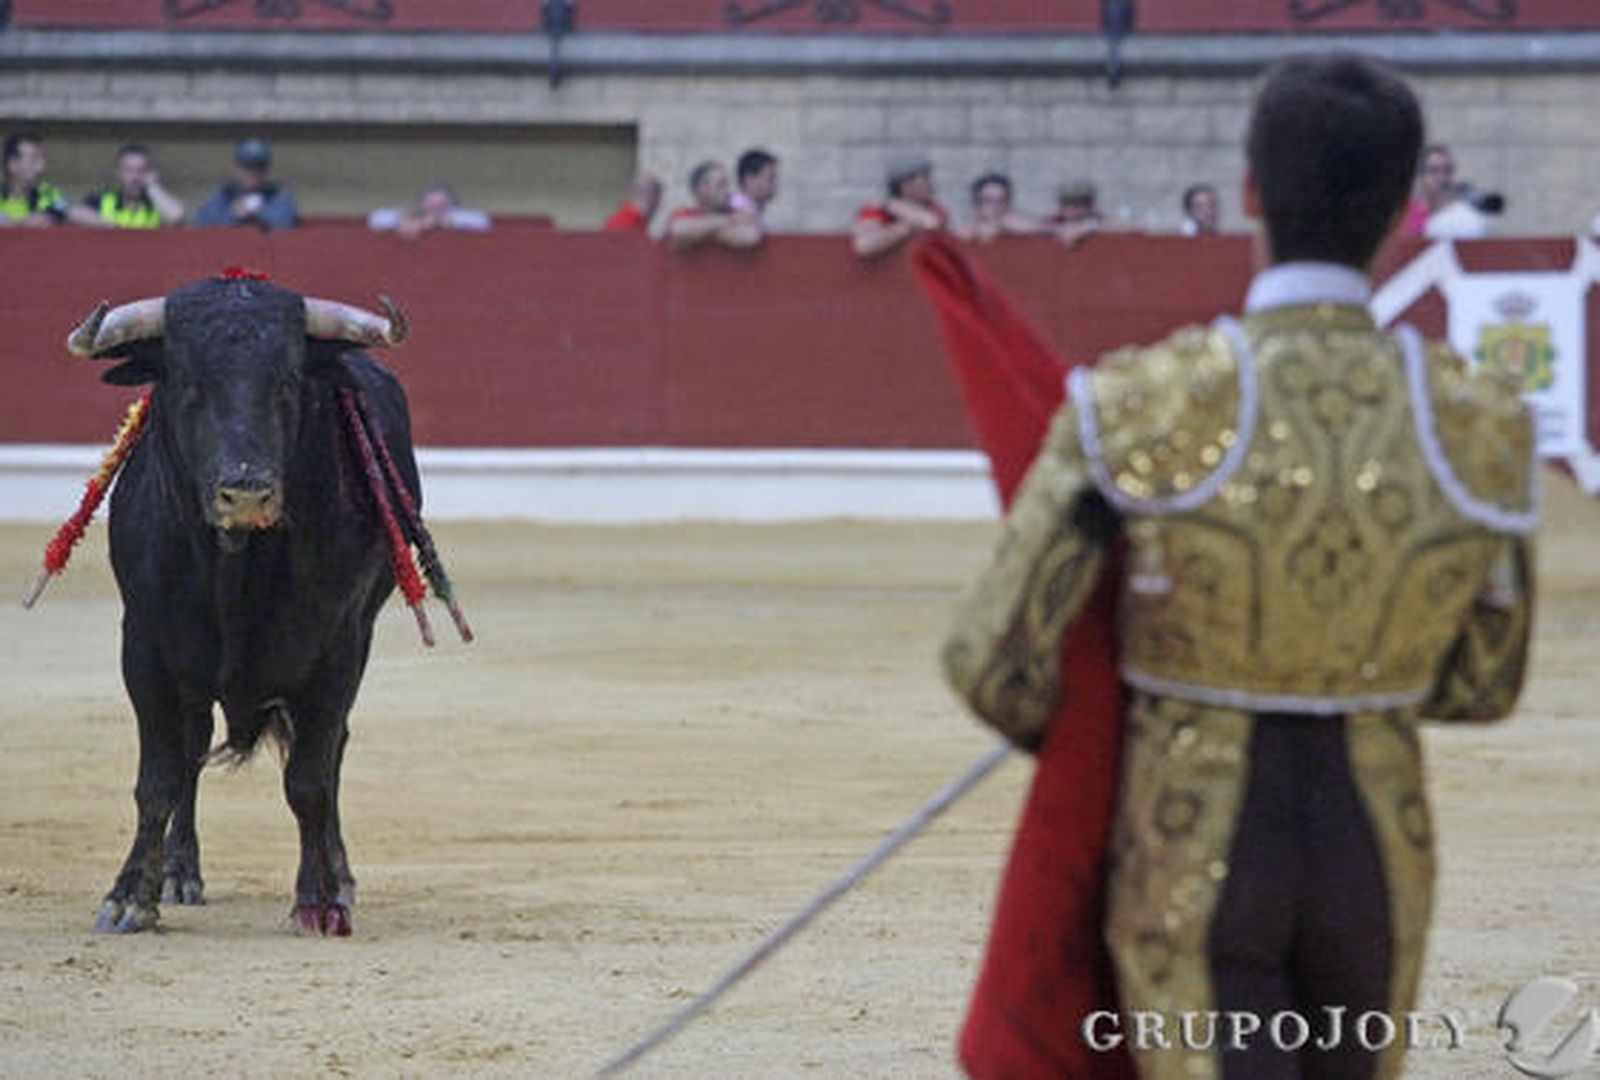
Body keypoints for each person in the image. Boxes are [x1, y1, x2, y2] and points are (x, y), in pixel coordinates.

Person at [943, 52, 1536, 1080]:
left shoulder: (1141, 403)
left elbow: (991, 660)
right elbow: (1484, 685)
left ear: (1252, 191)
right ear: (1403, 207)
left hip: (1195, 827)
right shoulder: (1481, 425)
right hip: (1374, 845)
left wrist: (1105, 723)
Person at [851, 153, 948, 260]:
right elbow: (864, 246)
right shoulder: (876, 209)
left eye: (927, 177)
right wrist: (907, 227)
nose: (929, 184)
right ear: (903, 186)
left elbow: (931, 223)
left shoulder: (934, 208)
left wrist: (892, 205)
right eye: (922, 178)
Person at [194, 137, 298, 230]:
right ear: (236, 169)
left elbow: (286, 222)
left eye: (259, 167)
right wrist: (233, 214)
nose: (253, 173)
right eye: (247, 167)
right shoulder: (225, 195)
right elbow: (201, 222)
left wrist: (257, 212)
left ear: (266, 170)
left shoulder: (277, 195)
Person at [662, 161, 762, 251]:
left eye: (727, 185)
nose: (728, 192)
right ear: (703, 189)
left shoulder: (736, 212)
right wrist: (730, 221)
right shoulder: (685, 214)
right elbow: (679, 231)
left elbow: (750, 237)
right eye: (721, 185)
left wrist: (699, 233)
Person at [80, 143, 185, 228]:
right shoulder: (102, 199)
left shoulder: (158, 201)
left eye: (142, 170)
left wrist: (153, 186)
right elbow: (73, 213)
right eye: (129, 171)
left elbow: (177, 217)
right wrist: (106, 224)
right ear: (118, 173)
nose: (135, 177)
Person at [1, 132, 75, 227]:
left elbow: (69, 212)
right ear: (12, 164)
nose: (41, 167)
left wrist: (51, 218)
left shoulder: (47, 193)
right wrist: (23, 223)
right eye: (34, 160)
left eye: (42, 160)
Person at [368, 184, 490, 238]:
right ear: (421, 204)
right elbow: (376, 219)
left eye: (441, 205)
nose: (435, 209)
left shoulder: (459, 218)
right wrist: (401, 222)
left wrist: (435, 222)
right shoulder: (404, 215)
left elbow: (482, 221)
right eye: (430, 204)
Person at [955, 172, 1043, 244]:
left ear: (1008, 204)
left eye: (1000, 201)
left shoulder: (1016, 225)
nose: (995, 206)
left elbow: (1048, 229)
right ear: (976, 205)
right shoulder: (966, 230)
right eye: (988, 201)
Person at [1400, 144, 1454, 237]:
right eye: (1434, 171)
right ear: (1420, 176)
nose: (1442, 178)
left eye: (1447, 171)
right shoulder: (1404, 215)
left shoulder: (1456, 214)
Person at [1046, 179, 1102, 247]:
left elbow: (1111, 224)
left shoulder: (1098, 219)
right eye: (1068, 202)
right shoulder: (1056, 219)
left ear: (1090, 205)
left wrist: (1085, 228)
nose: (1073, 208)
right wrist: (1060, 230)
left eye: (1080, 202)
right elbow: (1035, 225)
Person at [731, 148, 779, 220]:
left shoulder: (752, 209)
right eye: (770, 178)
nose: (775, 184)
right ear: (750, 179)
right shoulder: (735, 212)